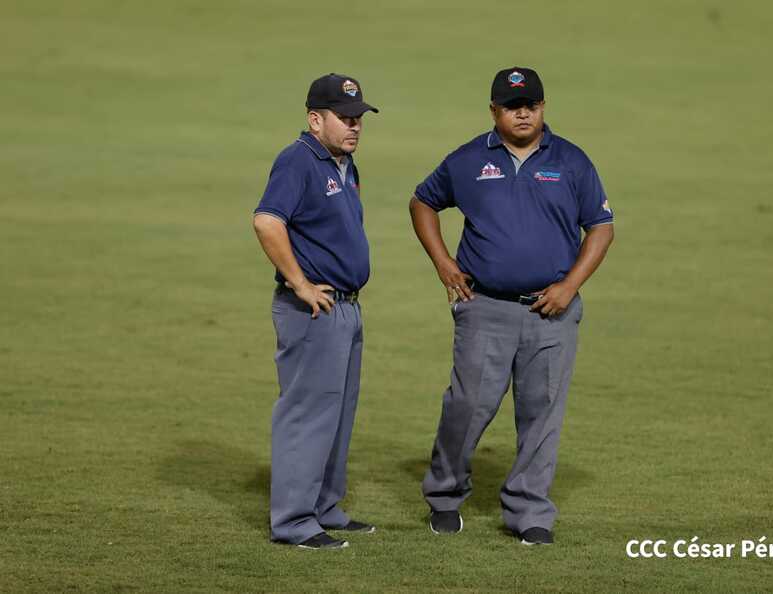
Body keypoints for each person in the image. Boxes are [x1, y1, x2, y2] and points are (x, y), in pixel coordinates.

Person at [409, 67, 614, 545]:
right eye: (512, 106)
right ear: (494, 111)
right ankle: (444, 496)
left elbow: (601, 227)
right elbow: (422, 202)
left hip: (552, 310)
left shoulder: (572, 161)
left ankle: (529, 512)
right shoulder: (468, 160)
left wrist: (570, 285)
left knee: (542, 412)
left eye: (532, 105)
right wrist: (443, 263)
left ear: (543, 107)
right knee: (467, 406)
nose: (523, 114)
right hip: (485, 307)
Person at [253, 73, 379, 550]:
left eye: (358, 117)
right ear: (315, 119)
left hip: (346, 309)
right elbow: (267, 221)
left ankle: (325, 508)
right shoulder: (298, 160)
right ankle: (293, 521)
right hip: (312, 311)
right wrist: (300, 282)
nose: (354, 125)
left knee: (338, 415)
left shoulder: (345, 164)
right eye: (344, 118)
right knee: (307, 415)